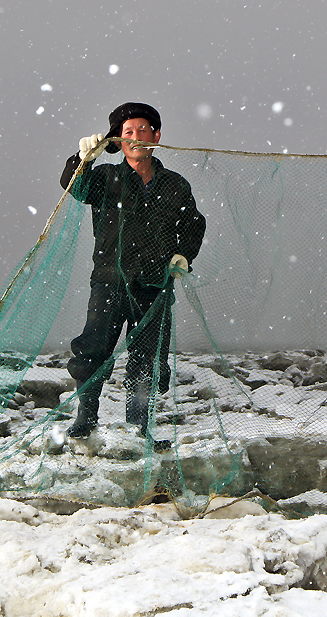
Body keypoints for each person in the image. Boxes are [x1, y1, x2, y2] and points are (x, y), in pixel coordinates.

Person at [59, 102, 206, 443]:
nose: (136, 136)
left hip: (155, 287)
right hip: (108, 283)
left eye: (143, 130)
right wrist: (83, 159)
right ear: (119, 141)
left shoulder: (175, 185)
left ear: (156, 137)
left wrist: (184, 255)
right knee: (92, 351)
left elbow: (193, 224)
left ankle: (139, 429)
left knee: (147, 360)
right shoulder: (105, 179)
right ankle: (85, 420)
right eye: (128, 132)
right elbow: (73, 185)